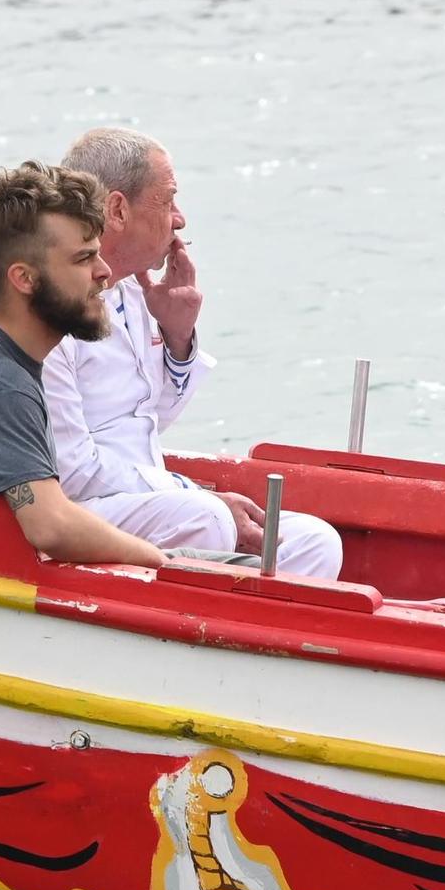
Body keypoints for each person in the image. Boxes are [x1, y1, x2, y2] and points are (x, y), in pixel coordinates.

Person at [43, 129, 343, 577]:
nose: (179, 219)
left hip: (149, 499)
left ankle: (243, 637)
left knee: (318, 544)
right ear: (118, 209)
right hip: (80, 511)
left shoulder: (135, 290)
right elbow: (73, 472)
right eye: (167, 201)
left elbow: (149, 419)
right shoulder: (56, 309)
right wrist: (190, 492)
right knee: (209, 519)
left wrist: (178, 336)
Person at [0, 162, 168, 566]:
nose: (104, 272)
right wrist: (161, 563)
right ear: (24, 278)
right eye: (83, 259)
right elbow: (50, 526)